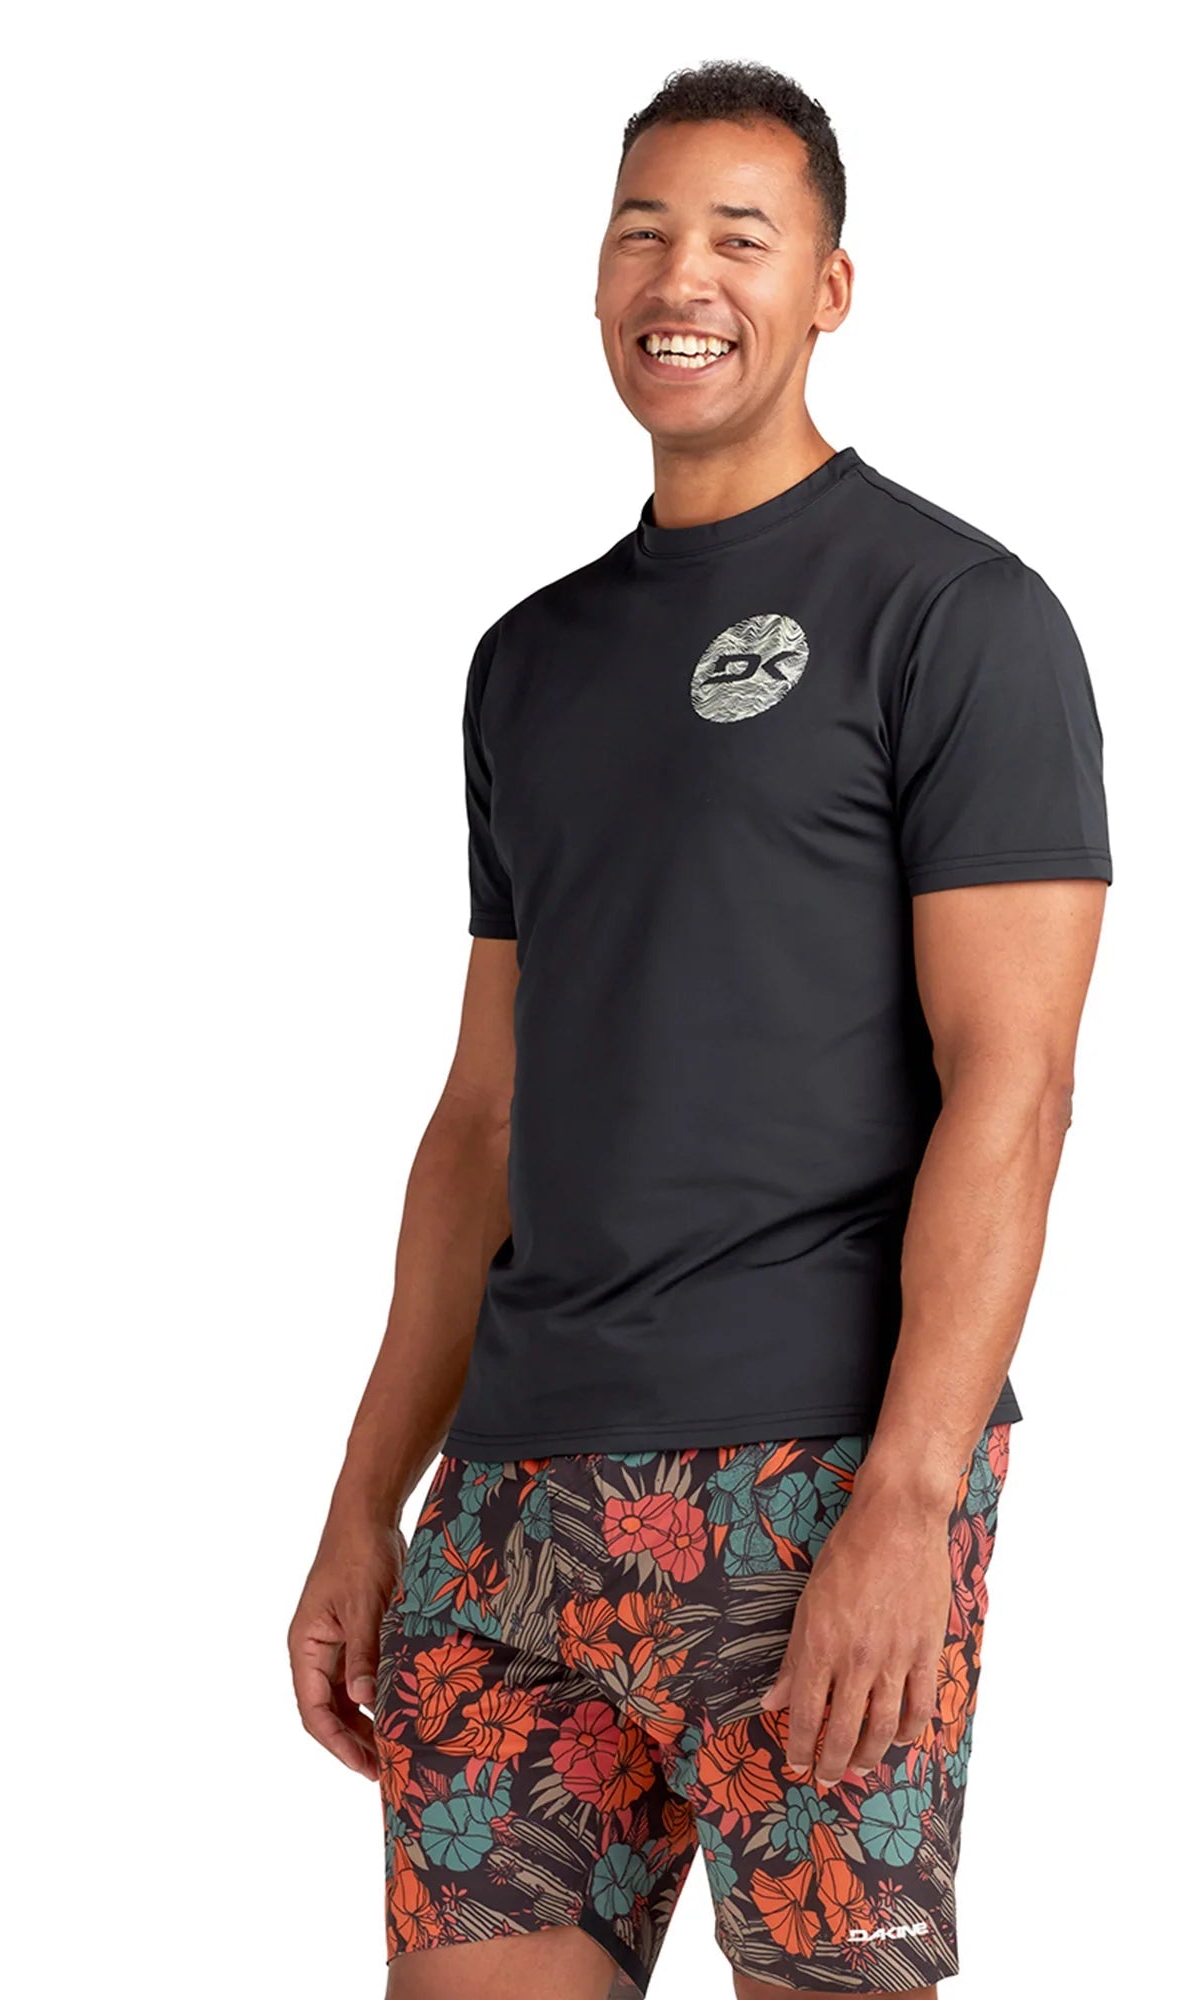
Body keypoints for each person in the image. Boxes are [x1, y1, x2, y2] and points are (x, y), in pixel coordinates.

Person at [289, 59, 1112, 2000]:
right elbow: (483, 1117)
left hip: (809, 1478)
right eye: (643, 233)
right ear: (598, 279)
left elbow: (1016, 1084)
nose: (684, 278)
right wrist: (362, 1498)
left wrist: (910, 1499)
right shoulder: (529, 662)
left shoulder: (954, 614)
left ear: (830, 286)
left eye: (742, 236)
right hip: (514, 1499)